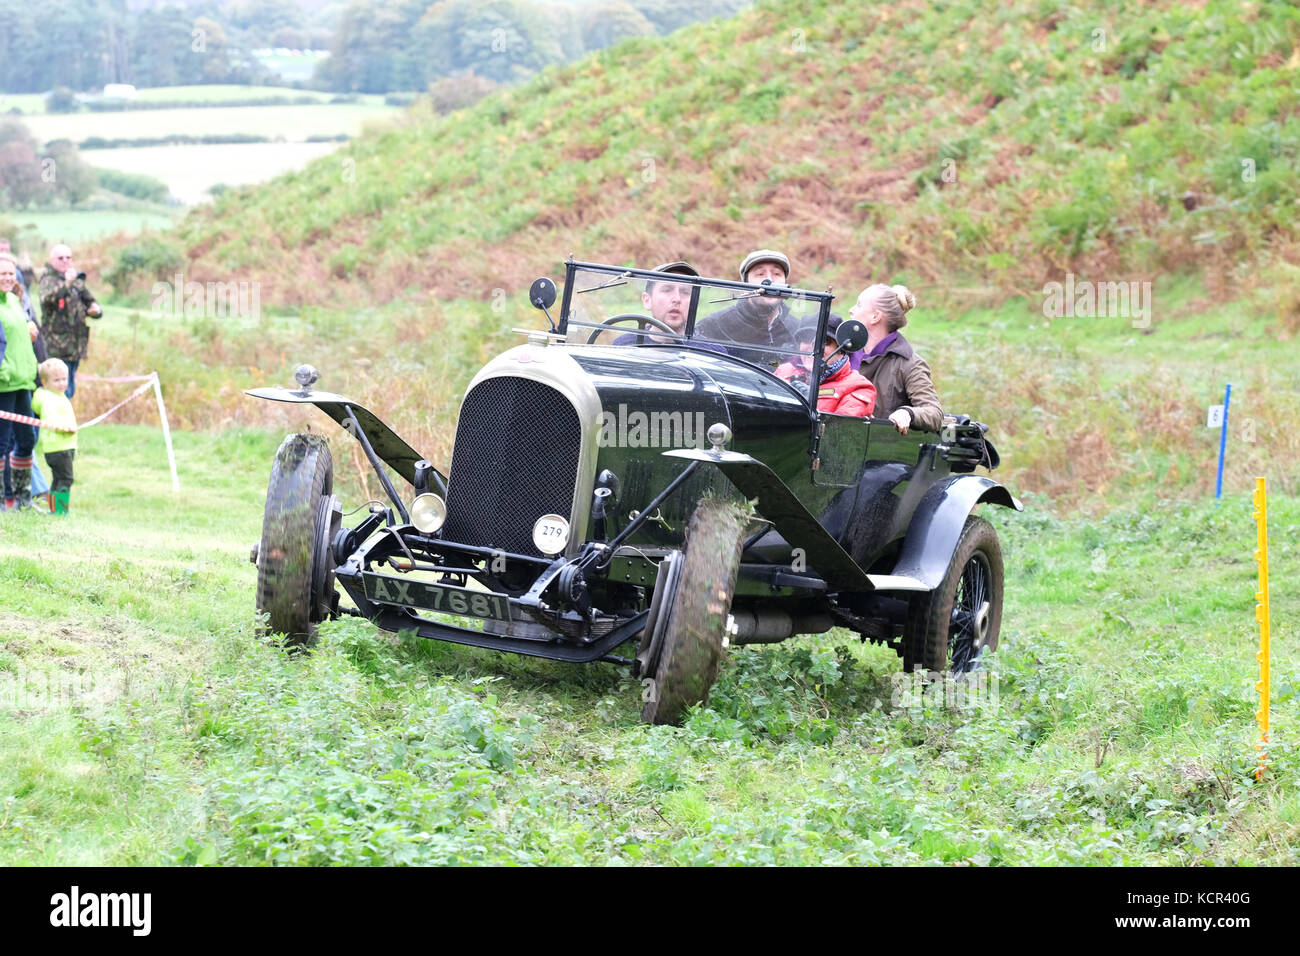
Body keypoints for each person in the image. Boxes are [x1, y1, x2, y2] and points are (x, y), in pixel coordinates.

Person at [848, 283, 942, 434]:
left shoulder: (909, 364)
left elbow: (934, 413)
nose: (851, 310)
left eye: (859, 305)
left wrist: (907, 413)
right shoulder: (841, 353)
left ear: (875, 316)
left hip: (877, 449)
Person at [695, 249, 803, 365]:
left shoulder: (799, 331)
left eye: (777, 274)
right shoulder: (713, 325)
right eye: (760, 274)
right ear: (745, 284)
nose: (770, 281)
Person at [0, 253, 42, 512]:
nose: (7, 278)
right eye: (1, 273)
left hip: (23, 381)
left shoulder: (15, 300)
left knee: (27, 440)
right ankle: (1, 501)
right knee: (1, 444)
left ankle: (23, 498)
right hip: (4, 383)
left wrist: (31, 332)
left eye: (9, 274)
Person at [776, 316, 877, 417]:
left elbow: (839, 429)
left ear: (842, 350)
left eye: (824, 342)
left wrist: (811, 405)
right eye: (807, 339)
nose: (813, 348)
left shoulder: (858, 387)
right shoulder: (783, 372)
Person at [38, 243, 102, 399]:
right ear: (52, 260)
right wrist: (67, 283)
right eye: (60, 258)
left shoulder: (77, 281)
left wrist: (95, 309)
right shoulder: (48, 280)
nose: (65, 261)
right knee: (58, 392)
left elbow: (91, 301)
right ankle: (55, 423)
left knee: (69, 390)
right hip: (56, 348)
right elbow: (48, 300)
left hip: (75, 347)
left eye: (68, 257)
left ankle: (64, 422)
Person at [32, 358, 77, 514]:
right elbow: (52, 420)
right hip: (60, 446)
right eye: (56, 380)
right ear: (44, 382)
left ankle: (54, 509)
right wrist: (66, 429)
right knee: (66, 479)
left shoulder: (56, 395)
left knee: (58, 479)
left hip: (59, 446)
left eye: (64, 379)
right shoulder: (50, 399)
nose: (62, 383)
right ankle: (60, 511)